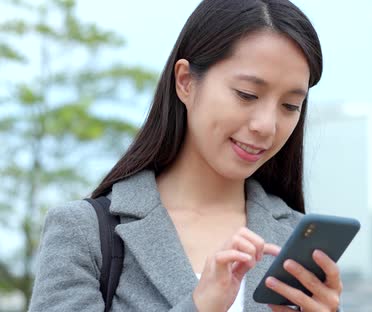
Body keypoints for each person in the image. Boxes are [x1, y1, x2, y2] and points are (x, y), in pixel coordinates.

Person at [28, 0, 343, 311]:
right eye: (247, 95)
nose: (267, 126)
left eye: (289, 106)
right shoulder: (83, 232)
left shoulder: (296, 239)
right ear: (185, 82)